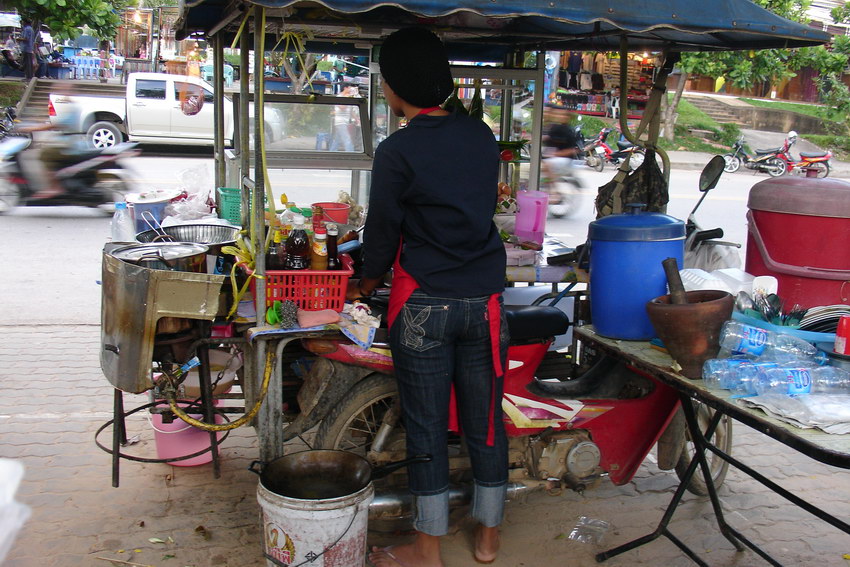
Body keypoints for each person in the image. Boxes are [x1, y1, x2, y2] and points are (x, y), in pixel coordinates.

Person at [347, 27, 508, 567]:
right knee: (485, 423)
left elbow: (383, 232)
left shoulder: (398, 150)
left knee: (427, 427)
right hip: (482, 302)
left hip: (423, 305)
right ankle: (488, 541)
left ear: (397, 86)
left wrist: (365, 285)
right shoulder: (482, 137)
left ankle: (429, 550)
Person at [329, 82, 361, 151]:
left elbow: (351, 110)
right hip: (340, 122)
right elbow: (342, 107)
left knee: (337, 140)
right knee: (347, 140)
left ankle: (331, 152)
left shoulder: (348, 97)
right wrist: (348, 97)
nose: (350, 89)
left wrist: (356, 119)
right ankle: (351, 154)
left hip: (345, 122)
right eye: (349, 88)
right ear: (345, 88)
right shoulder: (340, 97)